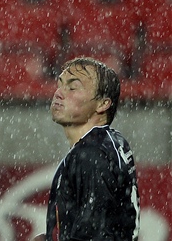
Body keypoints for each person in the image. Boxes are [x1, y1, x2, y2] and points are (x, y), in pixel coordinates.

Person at [33, 57, 140, 241]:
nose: (59, 92)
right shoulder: (112, 141)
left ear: (102, 104)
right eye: (60, 84)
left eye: (72, 87)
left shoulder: (90, 155)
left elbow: (94, 235)